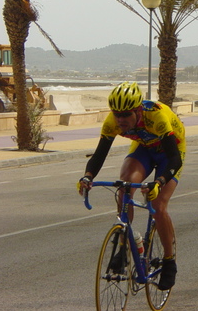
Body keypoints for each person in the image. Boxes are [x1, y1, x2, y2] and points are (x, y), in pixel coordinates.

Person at [77, 82, 184, 290]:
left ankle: (169, 261)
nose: (120, 119)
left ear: (138, 110)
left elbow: (174, 159)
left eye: (126, 115)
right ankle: (125, 243)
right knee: (125, 185)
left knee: (159, 205)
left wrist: (159, 181)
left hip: (170, 153)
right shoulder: (112, 122)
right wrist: (87, 177)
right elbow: (99, 155)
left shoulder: (157, 117)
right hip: (144, 149)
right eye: (117, 114)